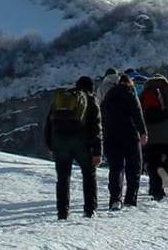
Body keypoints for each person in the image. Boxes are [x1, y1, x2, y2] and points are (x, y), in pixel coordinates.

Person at [44, 76, 102, 219]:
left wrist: (51, 146)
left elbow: (48, 124)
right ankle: (90, 210)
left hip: (60, 143)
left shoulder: (62, 100)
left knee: (63, 178)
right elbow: (96, 128)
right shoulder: (90, 100)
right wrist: (97, 152)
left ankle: (62, 212)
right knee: (89, 175)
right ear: (91, 88)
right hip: (81, 144)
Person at [98, 73, 147, 209]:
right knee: (134, 168)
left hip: (111, 136)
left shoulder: (109, 95)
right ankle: (130, 199)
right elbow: (137, 113)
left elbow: (102, 116)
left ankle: (115, 199)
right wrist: (143, 132)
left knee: (116, 168)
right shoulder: (130, 93)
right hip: (130, 135)